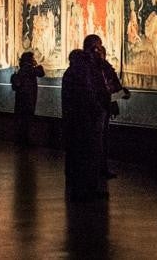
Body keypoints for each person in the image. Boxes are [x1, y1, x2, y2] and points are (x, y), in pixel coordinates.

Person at [61, 47, 106, 201]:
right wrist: (99, 109)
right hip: (84, 122)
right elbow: (88, 97)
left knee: (75, 156)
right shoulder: (81, 75)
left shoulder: (69, 73)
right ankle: (87, 189)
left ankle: (77, 187)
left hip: (73, 121)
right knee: (87, 156)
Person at [94, 43, 129, 179]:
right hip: (97, 109)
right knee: (98, 140)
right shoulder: (95, 70)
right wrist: (119, 94)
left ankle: (102, 168)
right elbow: (102, 93)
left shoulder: (105, 68)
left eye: (102, 52)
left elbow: (112, 86)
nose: (101, 55)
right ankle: (97, 170)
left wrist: (119, 93)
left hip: (104, 108)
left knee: (103, 140)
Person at [10, 51, 44, 146]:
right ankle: (26, 141)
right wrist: (37, 64)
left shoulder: (21, 70)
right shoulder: (29, 69)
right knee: (27, 121)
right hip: (28, 99)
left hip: (21, 99)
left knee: (21, 120)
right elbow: (41, 73)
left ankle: (20, 140)